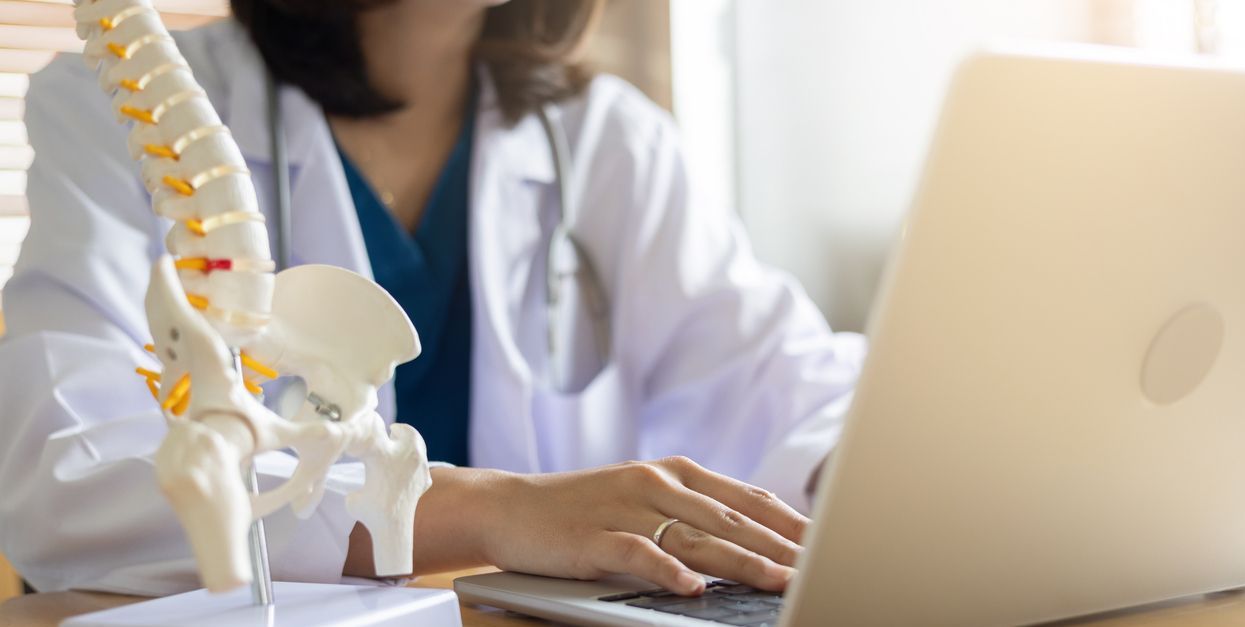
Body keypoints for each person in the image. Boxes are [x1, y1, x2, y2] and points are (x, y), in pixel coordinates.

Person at [0, 0, 866, 598]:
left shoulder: (607, 142)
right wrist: (487, 512)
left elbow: (783, 382)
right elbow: (66, 473)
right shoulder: (131, 115)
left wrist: (878, 471)